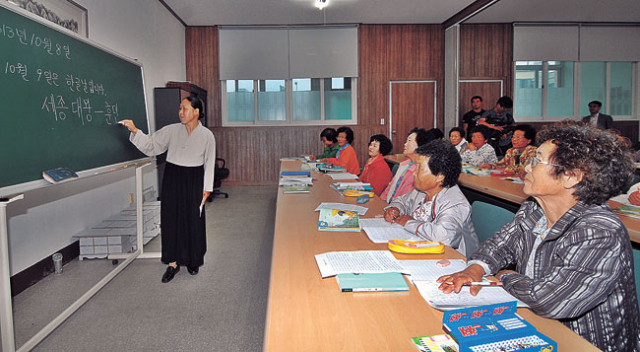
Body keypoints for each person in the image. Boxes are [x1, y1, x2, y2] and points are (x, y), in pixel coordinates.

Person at [437, 124, 640, 351]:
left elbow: (551, 300)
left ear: (571, 176)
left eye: (536, 161)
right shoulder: (534, 208)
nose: (526, 167)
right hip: (534, 320)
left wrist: (505, 277)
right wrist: (475, 269)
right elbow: (501, 244)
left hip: (583, 341)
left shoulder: (599, 231)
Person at [119, 96, 215, 283]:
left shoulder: (207, 136)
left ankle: (193, 260)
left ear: (196, 112)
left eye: (185, 108)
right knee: (171, 219)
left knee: (193, 219)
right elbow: (151, 146)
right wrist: (135, 130)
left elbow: (210, 163)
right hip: (172, 177)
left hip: (194, 179)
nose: (180, 112)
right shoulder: (171, 130)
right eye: (179, 108)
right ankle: (172, 263)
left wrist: (207, 188)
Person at [384, 140, 479, 257]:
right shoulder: (422, 191)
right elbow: (401, 201)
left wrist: (409, 222)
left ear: (440, 176)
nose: (414, 173)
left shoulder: (455, 202)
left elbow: (444, 237)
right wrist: (395, 209)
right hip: (420, 251)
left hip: (451, 261)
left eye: (420, 168)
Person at [380, 128, 436, 203]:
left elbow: (408, 199)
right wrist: (381, 202)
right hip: (390, 205)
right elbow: (390, 187)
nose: (405, 144)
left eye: (409, 141)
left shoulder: (421, 170)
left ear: (420, 145)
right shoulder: (404, 164)